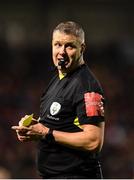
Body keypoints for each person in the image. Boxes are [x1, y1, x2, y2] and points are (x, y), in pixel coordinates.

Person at [12, 21, 105, 179]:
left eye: (70, 46)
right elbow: (58, 123)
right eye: (57, 45)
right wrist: (33, 129)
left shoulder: (86, 86)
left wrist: (46, 133)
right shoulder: (58, 78)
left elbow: (94, 141)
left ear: (82, 48)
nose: (62, 52)